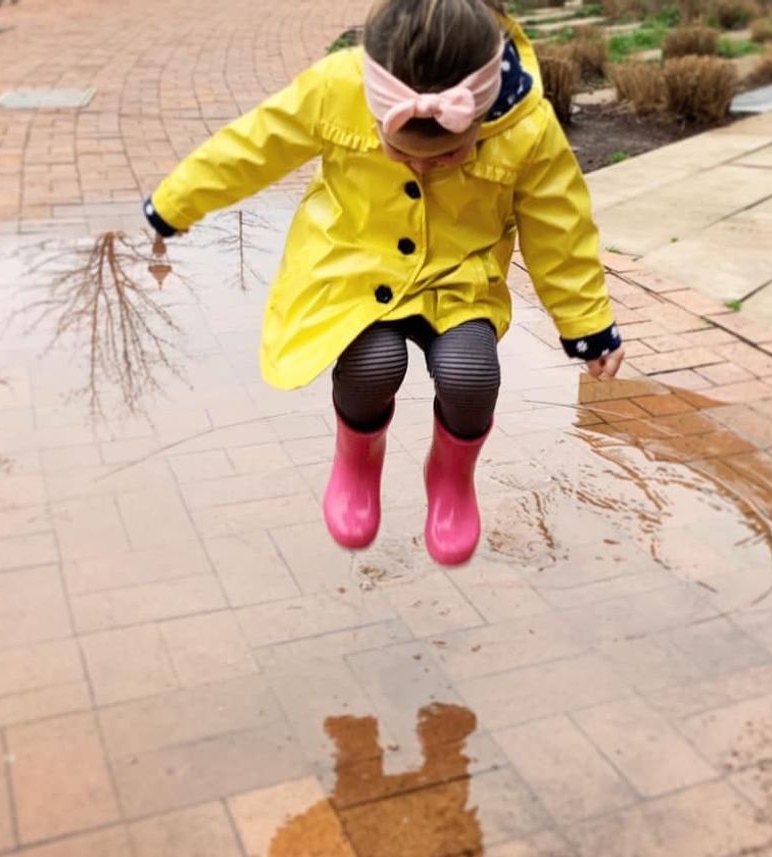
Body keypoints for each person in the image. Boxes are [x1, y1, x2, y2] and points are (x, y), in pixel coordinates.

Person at [144, 0, 623, 566]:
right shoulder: (336, 86)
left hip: (459, 276)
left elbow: (559, 229)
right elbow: (253, 146)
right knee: (374, 363)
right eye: (401, 151)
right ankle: (358, 456)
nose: (422, 166)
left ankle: (451, 474)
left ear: (482, 114)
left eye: (446, 155)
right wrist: (175, 204)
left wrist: (588, 325)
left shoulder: (527, 127)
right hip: (353, 261)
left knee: (469, 373)